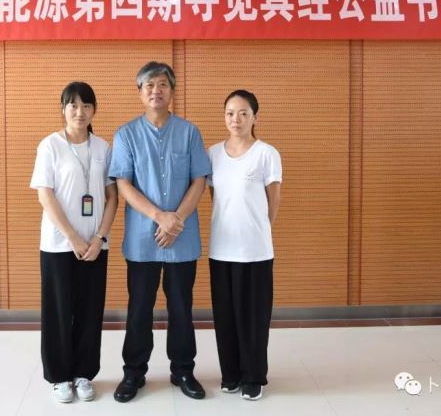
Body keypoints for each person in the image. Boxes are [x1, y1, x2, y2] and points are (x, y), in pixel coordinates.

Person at [108, 62, 211, 402]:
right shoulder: (126, 134)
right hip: (143, 239)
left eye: (163, 84)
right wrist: (159, 217)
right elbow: (123, 183)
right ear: (140, 92)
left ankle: (183, 370)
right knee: (140, 307)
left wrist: (175, 219)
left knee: (181, 307)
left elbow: (199, 179)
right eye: (149, 85)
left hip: (182, 236)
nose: (156, 90)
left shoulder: (189, 132)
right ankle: (133, 373)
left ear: (172, 91)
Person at [29, 82, 118, 403]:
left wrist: (99, 237)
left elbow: (112, 197)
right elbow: (45, 195)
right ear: (63, 109)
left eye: (86, 105)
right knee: (58, 311)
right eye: (73, 105)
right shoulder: (50, 145)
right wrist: (73, 237)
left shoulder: (103, 148)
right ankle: (59, 376)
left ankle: (83, 373)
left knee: (89, 310)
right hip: (59, 244)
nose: (80, 112)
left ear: (94, 110)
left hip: (95, 246)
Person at [207, 90, 282, 401]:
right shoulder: (213, 153)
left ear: (254, 116)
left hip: (255, 250)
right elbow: (216, 197)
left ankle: (253, 376)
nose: (235, 119)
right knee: (225, 315)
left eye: (243, 113)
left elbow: (273, 202)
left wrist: (259, 230)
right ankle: (231, 374)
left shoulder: (266, 153)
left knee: (253, 316)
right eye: (230, 113)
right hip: (221, 248)